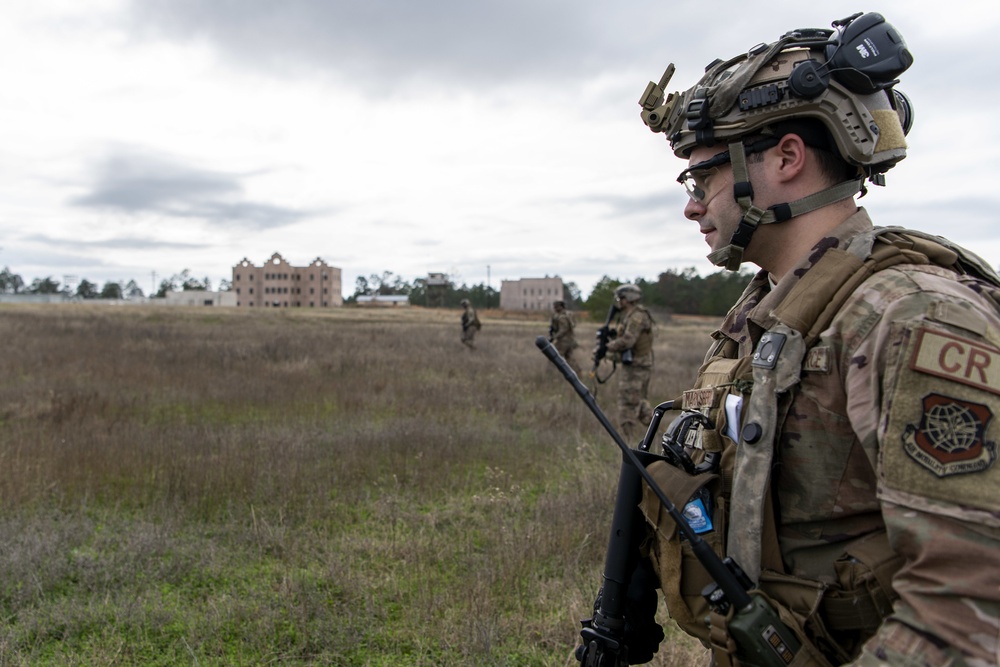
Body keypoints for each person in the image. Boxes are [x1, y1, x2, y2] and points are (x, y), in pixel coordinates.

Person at [625, 12, 1000, 667]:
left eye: (702, 177)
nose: (691, 204)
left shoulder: (911, 317)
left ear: (787, 158)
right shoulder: (771, 312)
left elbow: (968, 607)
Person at [602, 284, 654, 443]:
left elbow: (628, 341)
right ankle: (656, 429)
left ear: (629, 298)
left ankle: (627, 441)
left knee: (628, 404)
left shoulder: (637, 316)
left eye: (622, 297)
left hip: (637, 366)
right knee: (637, 401)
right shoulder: (629, 315)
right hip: (635, 365)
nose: (619, 301)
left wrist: (608, 347)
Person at [549, 300, 581, 374]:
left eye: (556, 307)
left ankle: (550, 373)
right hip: (570, 340)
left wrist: (554, 337)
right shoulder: (568, 314)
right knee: (569, 358)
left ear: (561, 307)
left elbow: (563, 329)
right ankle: (578, 372)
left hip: (563, 341)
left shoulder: (562, 317)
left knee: (554, 356)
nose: (555, 309)